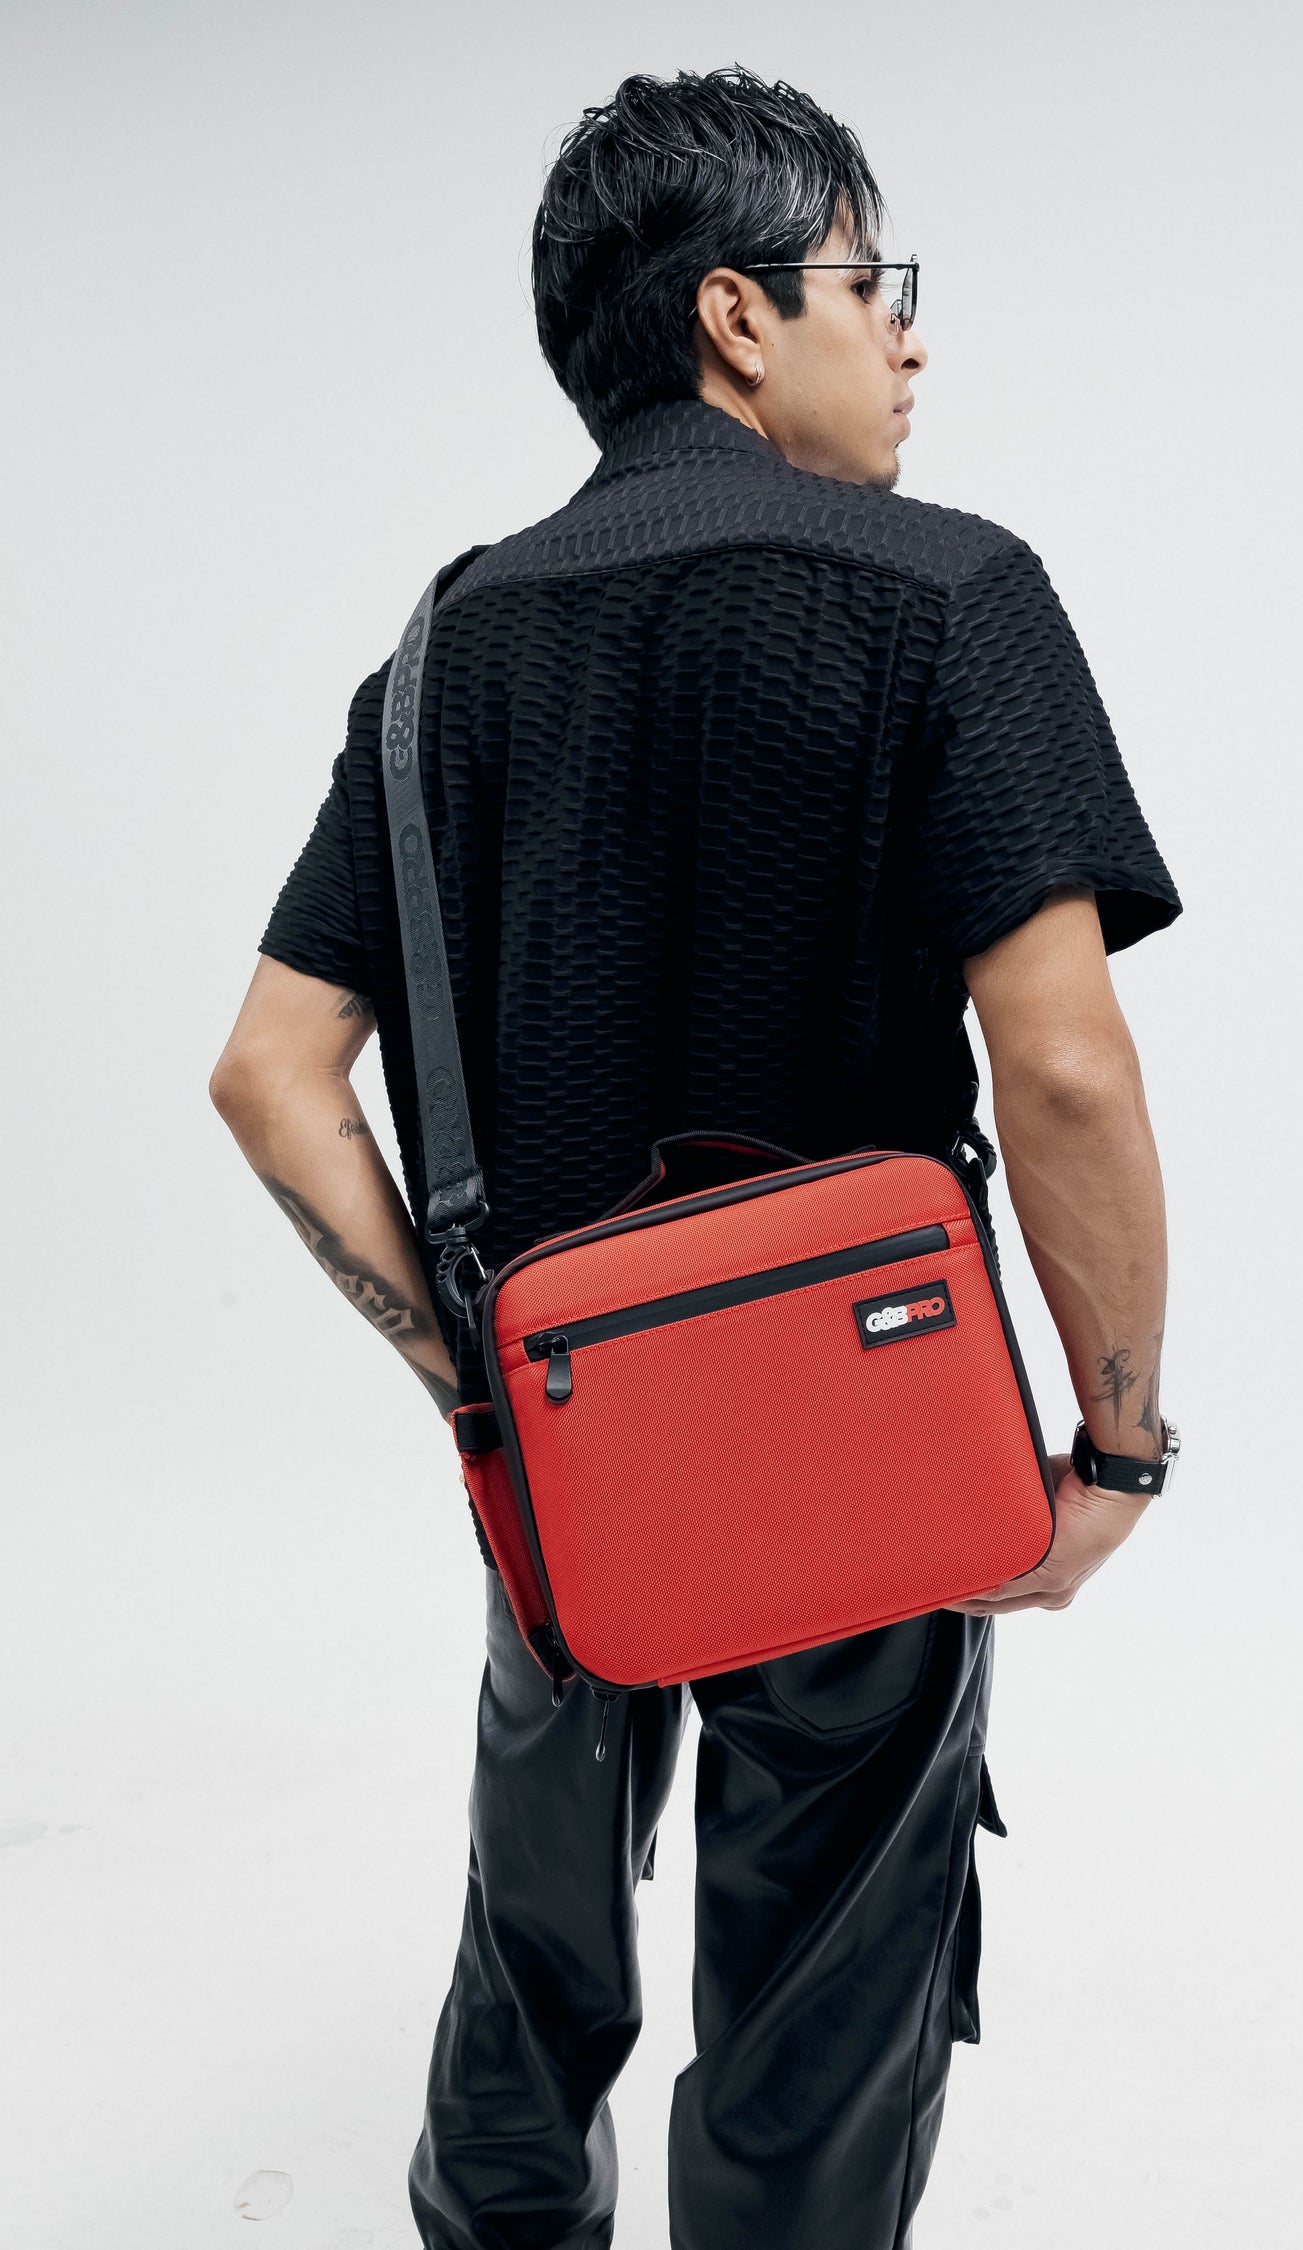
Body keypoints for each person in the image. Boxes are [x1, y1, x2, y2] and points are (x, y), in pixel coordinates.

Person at [210, 64, 1182, 2250]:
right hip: (864, 1437)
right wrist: (1118, 1447)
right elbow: (1065, 1073)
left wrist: (480, 1381)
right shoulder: (953, 589)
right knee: (820, 2008)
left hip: (564, 1444)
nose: (907, 337)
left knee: (533, 1940)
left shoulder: (442, 648)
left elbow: (273, 1073)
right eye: (869, 280)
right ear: (737, 316)